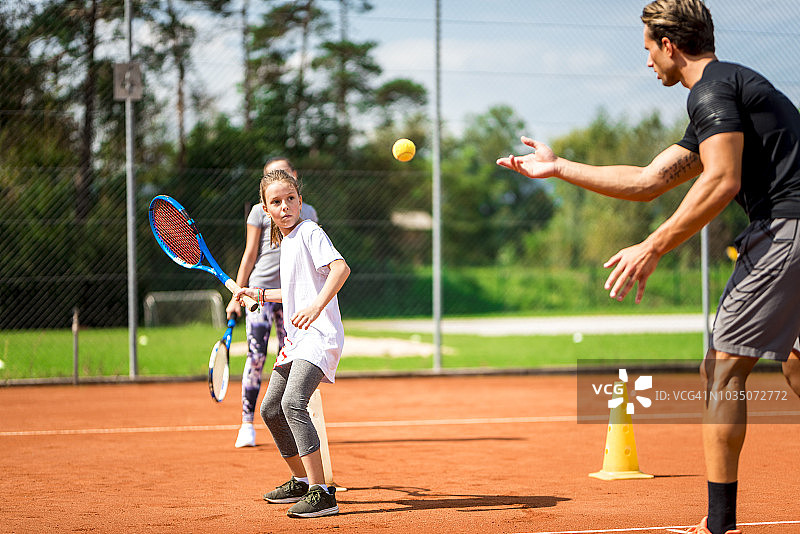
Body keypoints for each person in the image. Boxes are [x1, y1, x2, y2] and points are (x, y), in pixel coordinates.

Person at [497, 1, 800, 533]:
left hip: (785, 231)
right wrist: (559, 167)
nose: (647, 62)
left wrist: (653, 246)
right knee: (795, 362)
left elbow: (722, 179)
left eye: (647, 50)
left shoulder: (710, 91)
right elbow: (648, 181)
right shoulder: (729, 90)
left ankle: (719, 523)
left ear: (669, 45)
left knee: (722, 368)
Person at [234, 168, 350, 519]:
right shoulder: (286, 242)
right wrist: (259, 294)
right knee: (271, 409)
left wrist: (316, 307)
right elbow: (296, 291)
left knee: (293, 402)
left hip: (320, 335)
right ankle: (300, 481)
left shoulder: (310, 231)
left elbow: (340, 269)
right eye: (276, 202)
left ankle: (322, 493)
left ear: (300, 201)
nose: (284, 206)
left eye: (290, 199)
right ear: (265, 210)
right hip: (298, 339)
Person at [226, 157, 319, 448]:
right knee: (256, 356)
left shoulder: (308, 214)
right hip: (260, 293)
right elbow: (249, 253)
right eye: (271, 175)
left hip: (294, 296)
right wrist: (237, 293)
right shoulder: (259, 212)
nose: (283, 205)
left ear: (295, 177)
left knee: (292, 358)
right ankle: (247, 423)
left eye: (283, 173)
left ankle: (293, 421)